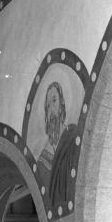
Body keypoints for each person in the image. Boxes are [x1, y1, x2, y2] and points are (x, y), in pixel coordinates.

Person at [37, 81, 77, 210]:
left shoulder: (72, 136)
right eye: (48, 106)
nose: (51, 109)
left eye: (54, 101)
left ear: (62, 104)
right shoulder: (42, 158)